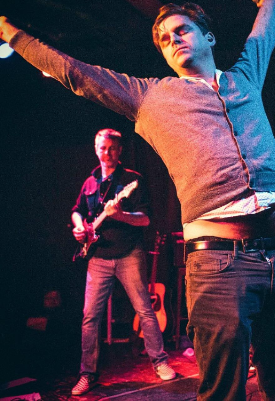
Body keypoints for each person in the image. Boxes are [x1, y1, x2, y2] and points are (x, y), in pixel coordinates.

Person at [0, 0, 275, 400]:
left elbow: (263, 34)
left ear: (208, 37)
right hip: (220, 264)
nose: (174, 40)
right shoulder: (151, 96)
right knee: (224, 393)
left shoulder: (245, 78)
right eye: (166, 40)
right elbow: (77, 74)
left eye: (182, 30)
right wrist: (15, 36)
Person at [69, 129, 175, 396]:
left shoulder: (132, 181)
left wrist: (120, 215)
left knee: (145, 310)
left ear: (120, 150)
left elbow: (145, 219)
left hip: (129, 254)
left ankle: (160, 362)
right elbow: (77, 211)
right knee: (90, 317)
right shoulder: (90, 182)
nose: (107, 153)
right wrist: (80, 227)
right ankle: (87, 373)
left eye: (113, 148)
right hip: (98, 257)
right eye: (103, 148)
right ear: (96, 149)